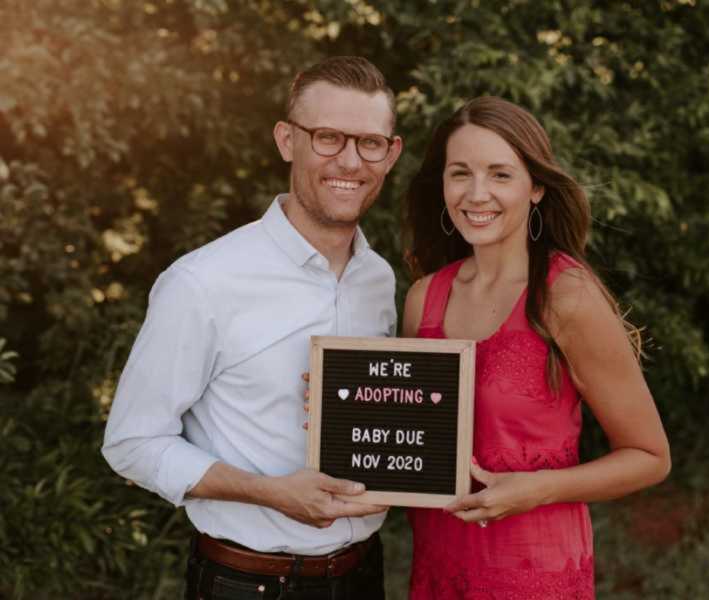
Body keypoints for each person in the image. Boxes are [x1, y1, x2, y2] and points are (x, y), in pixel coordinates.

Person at [102, 56, 403, 600]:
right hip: (248, 585)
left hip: (363, 576)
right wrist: (270, 493)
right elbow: (132, 442)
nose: (351, 161)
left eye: (370, 143)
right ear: (288, 140)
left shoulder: (377, 279)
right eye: (329, 137)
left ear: (392, 152)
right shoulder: (203, 281)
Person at [401, 96, 671, 598]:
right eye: (460, 173)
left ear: (537, 187)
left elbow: (650, 456)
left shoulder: (566, 296)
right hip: (439, 566)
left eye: (500, 174)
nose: (477, 193)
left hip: (532, 568)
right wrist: (340, 404)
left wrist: (537, 488)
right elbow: (410, 435)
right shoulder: (424, 299)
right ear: (442, 184)